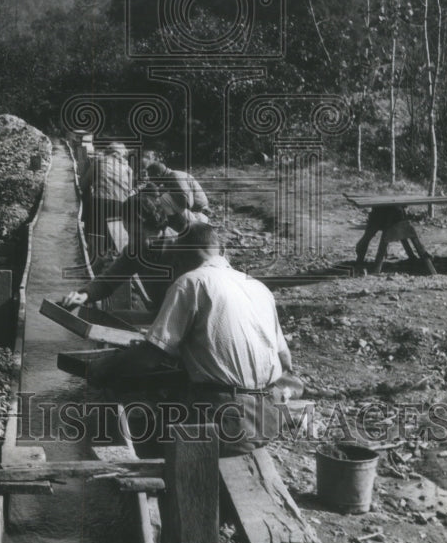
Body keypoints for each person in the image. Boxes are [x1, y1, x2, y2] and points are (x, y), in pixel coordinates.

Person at [86, 223, 294, 454]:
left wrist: (104, 367)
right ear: (220, 250)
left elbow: (149, 357)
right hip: (270, 418)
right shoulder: (257, 286)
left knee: (145, 428)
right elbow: (285, 361)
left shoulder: (190, 283)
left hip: (228, 425)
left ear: (180, 258)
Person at [79, 142, 134, 257]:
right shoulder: (128, 169)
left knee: (96, 236)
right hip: (121, 205)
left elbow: (83, 184)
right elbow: (129, 190)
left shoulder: (99, 162)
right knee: (114, 240)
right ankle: (112, 258)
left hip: (100, 202)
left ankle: (93, 256)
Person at [146, 161, 209, 227]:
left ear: (158, 175)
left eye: (151, 177)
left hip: (198, 211)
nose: (150, 180)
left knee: (164, 198)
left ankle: (195, 224)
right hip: (195, 209)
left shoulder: (174, 176)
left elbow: (187, 203)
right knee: (164, 197)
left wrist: (168, 191)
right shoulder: (171, 176)